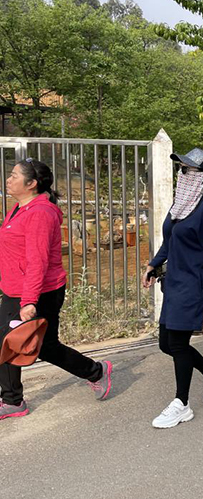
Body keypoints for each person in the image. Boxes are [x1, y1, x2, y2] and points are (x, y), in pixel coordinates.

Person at [0, 159, 112, 421]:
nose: (8, 179)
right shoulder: (19, 207)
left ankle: (94, 372)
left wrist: (29, 301)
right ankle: (13, 400)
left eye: (14, 176)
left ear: (31, 183)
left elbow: (37, 261)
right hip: (16, 289)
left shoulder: (40, 213)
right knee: (19, 343)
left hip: (39, 292)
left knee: (34, 345)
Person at [143, 148, 203, 428]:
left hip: (193, 284)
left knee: (178, 344)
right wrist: (153, 265)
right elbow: (169, 242)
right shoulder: (180, 205)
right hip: (173, 283)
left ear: (202, 177)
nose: (182, 174)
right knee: (166, 344)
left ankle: (181, 404)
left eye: (188, 169)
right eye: (181, 169)